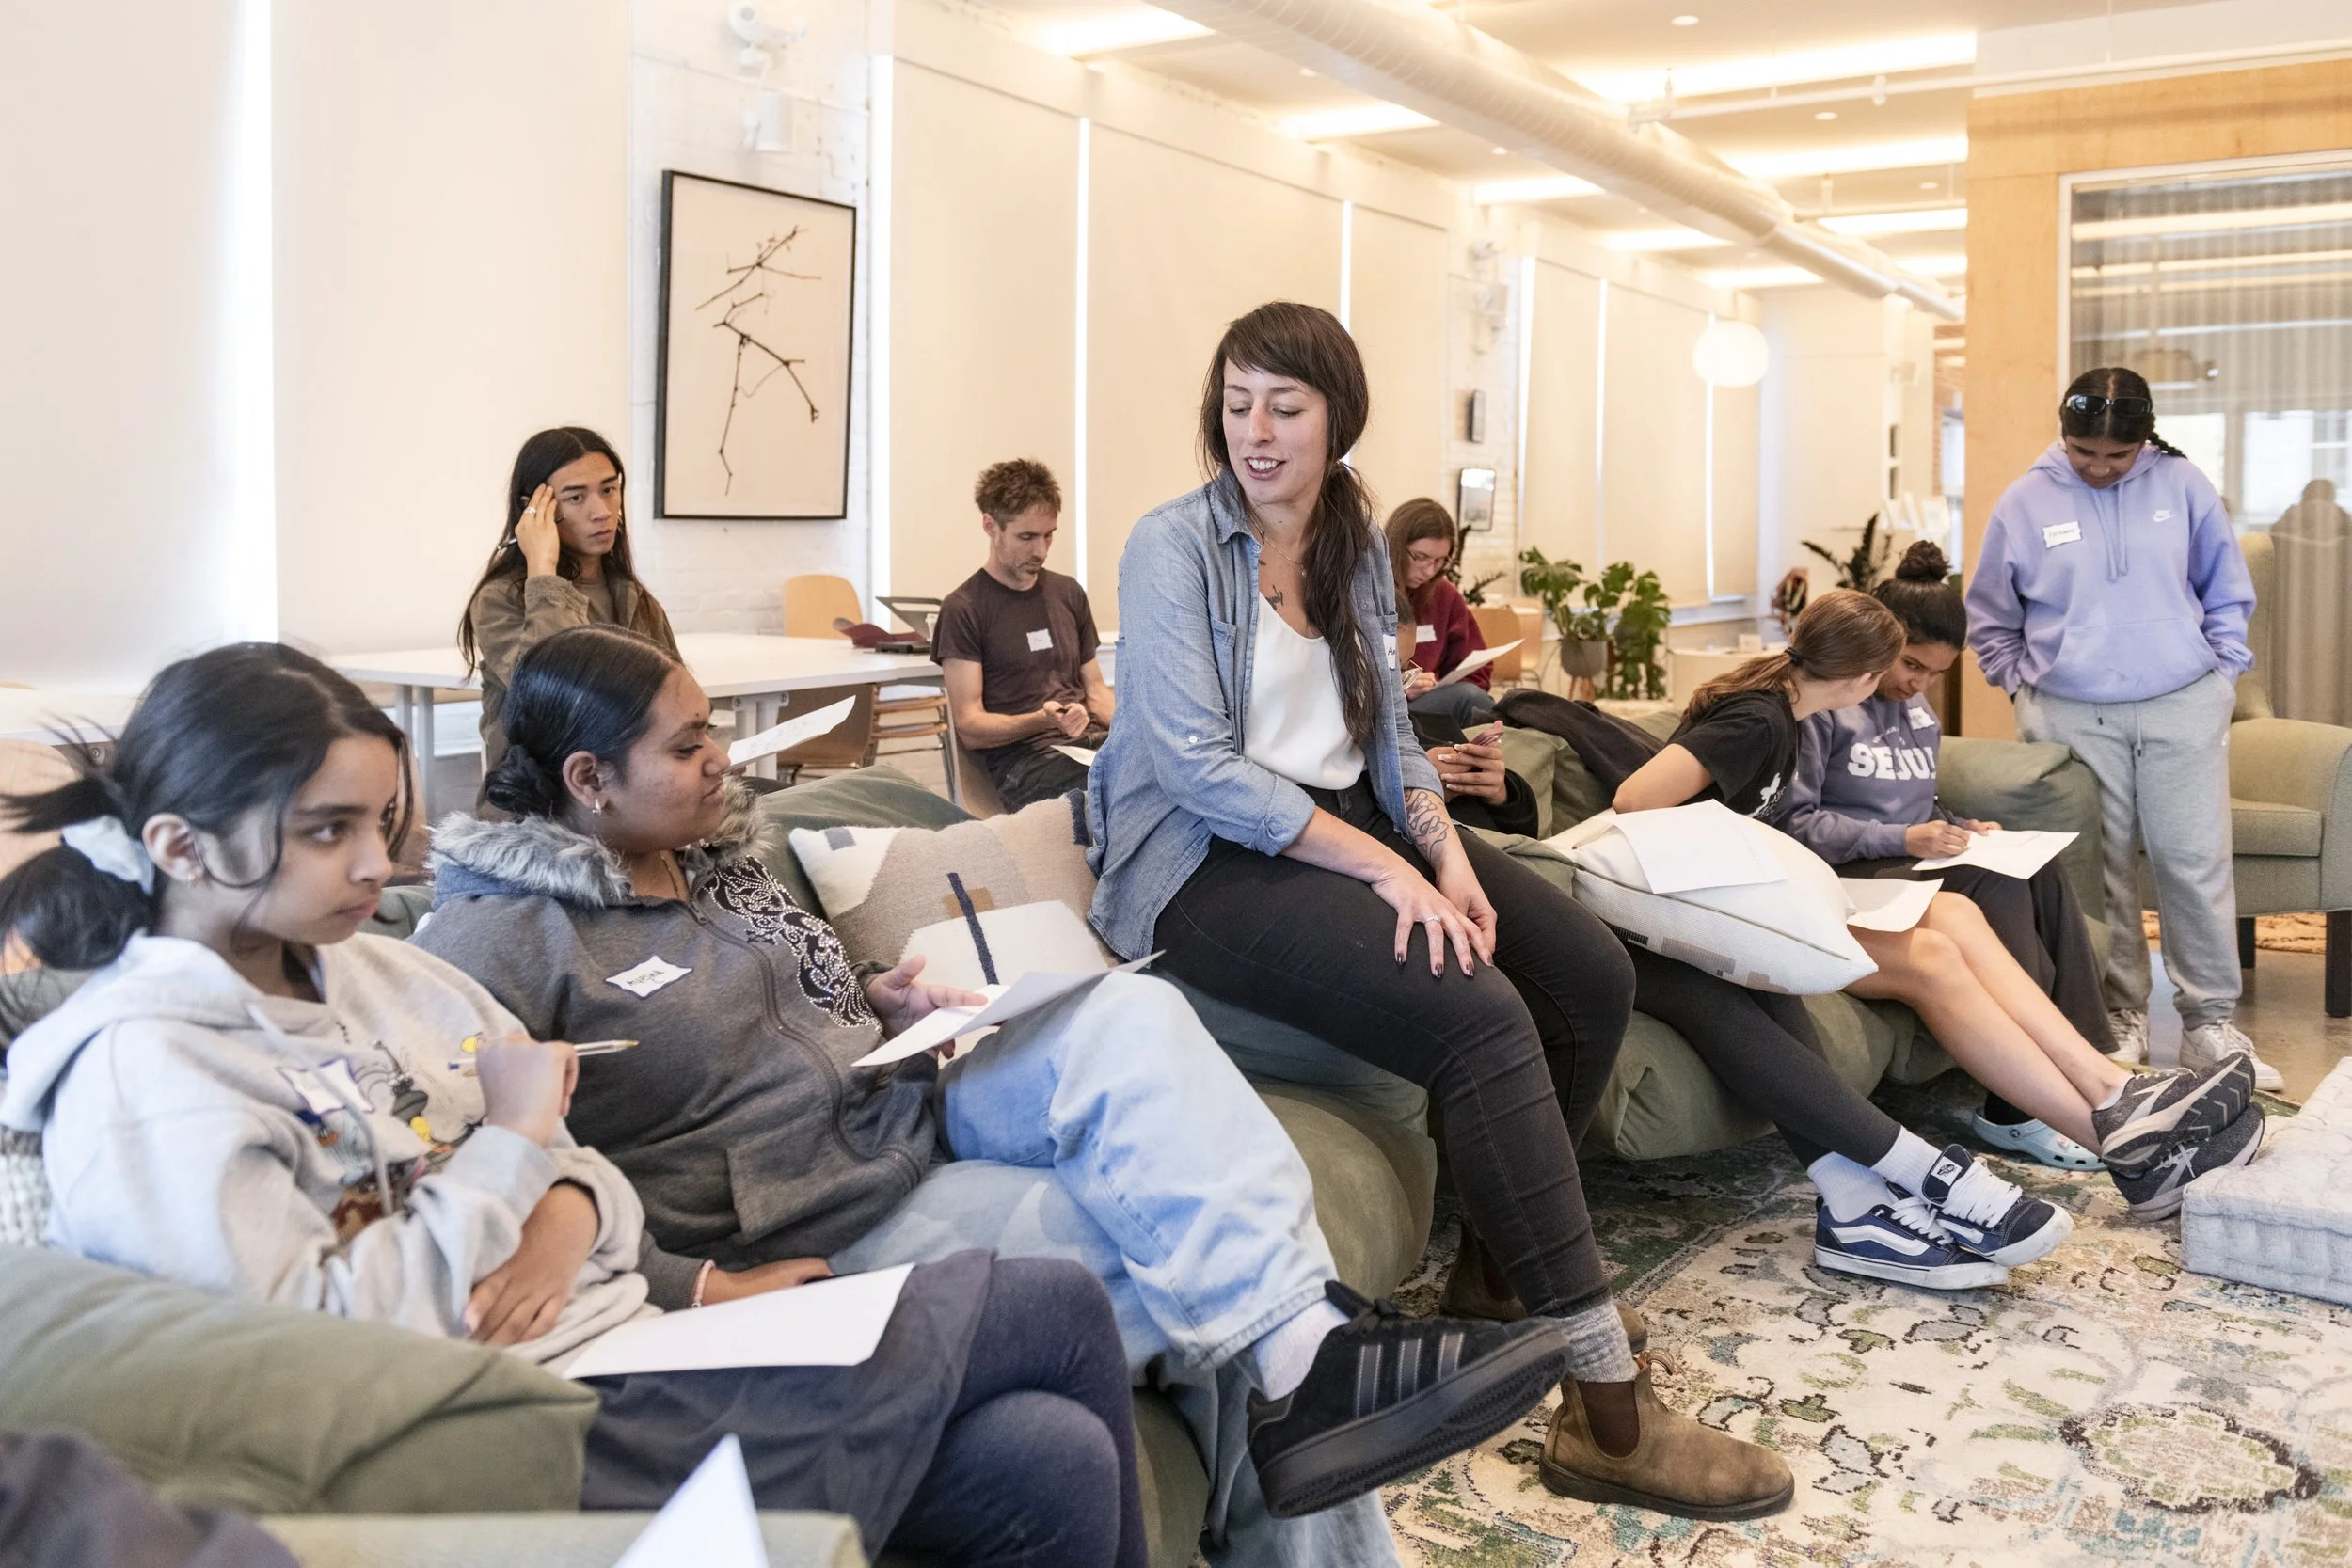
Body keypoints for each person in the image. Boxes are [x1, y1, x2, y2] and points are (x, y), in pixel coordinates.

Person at [412, 625, 1572, 1559]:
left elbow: (790, 1008)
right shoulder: (499, 939)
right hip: (821, 1223)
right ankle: (1310, 1372)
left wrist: (885, 1003)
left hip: (911, 1103)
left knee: (1126, 1011)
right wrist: (697, 1282)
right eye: (685, 745)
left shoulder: (716, 860)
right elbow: (508, 1177)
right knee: (1203, 1255)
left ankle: (1308, 1357)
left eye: (713, 727)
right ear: (586, 779)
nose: (721, 756)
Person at [0, 643, 1148, 1568]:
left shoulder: (384, 975)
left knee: (1050, 1460)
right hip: (521, 1414)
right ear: (177, 845)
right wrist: (508, 1151)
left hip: (630, 1338)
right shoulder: (146, 1073)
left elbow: (583, 1155)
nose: (374, 867)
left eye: (381, 822)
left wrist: (561, 1211)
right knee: (1044, 1310)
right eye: (326, 830)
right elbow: (324, 1347)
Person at [1087, 299, 1792, 1523]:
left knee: (1587, 975)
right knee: (1481, 1014)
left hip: (1344, 821)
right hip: (1204, 861)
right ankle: (1607, 1410)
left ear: (1337, 421)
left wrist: (1440, 850)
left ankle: (1492, 1268)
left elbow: (1390, 729)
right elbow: (1197, 767)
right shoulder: (1171, 546)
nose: (1254, 429)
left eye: (1285, 406)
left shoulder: (1353, 542)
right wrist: (1383, 867)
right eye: (1237, 401)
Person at [1615, 591, 2265, 1224]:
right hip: (1716, 915)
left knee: (1957, 916)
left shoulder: (1785, 711)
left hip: (1764, 902)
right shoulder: (1758, 717)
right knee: (1931, 959)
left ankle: (2116, 1093)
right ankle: (2123, 1145)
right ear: (1866, 676)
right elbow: (1633, 802)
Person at [1965, 368, 2274, 1087]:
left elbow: (2226, 588)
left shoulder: (2185, 485)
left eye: (2117, 456)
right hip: (2070, 711)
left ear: (2144, 441)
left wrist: (2220, 673)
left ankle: (2208, 1023)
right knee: (2097, 868)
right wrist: (2021, 686)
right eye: (2083, 453)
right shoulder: (2024, 499)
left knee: (2192, 859)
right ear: (2064, 436)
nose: (2100, 468)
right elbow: (1990, 613)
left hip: (2180, 700)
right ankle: (2119, 1015)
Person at [1781, 543, 2121, 1170]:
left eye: (1935, 673)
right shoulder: (1826, 705)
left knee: (2034, 865)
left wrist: (1959, 825)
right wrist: (1905, 839)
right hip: (1849, 873)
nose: (1918, 683)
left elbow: (1913, 801)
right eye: (1910, 664)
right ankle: (2013, 1110)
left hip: (1903, 860)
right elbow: (1795, 824)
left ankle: (2095, 1063)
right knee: (1989, 884)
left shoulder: (1916, 711)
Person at [458, 427, 680, 800]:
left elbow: (674, 698)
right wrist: (542, 569)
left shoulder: (632, 596)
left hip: (630, 798)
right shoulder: (500, 598)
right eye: (576, 497)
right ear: (536, 510)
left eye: (609, 490)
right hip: (540, 808)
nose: (602, 511)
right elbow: (554, 697)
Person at [936, 460, 1116, 811]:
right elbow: (970, 726)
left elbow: (1096, 692)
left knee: (1173, 773)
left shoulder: (1068, 593)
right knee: (1123, 790)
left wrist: (1137, 731)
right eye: (1027, 537)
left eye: (1049, 535)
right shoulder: (963, 609)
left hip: (1092, 746)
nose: (1041, 551)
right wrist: (1041, 720)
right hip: (1028, 764)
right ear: (991, 526)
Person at [1386, 499, 1496, 727]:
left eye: (1439, 561)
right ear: (1395, 545)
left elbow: (1475, 669)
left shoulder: (1444, 595)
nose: (1429, 570)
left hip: (1428, 704)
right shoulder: (1367, 588)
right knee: (1472, 701)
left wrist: (1438, 686)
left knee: (1478, 700)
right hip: (1384, 710)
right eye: (1420, 557)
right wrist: (1400, 684)